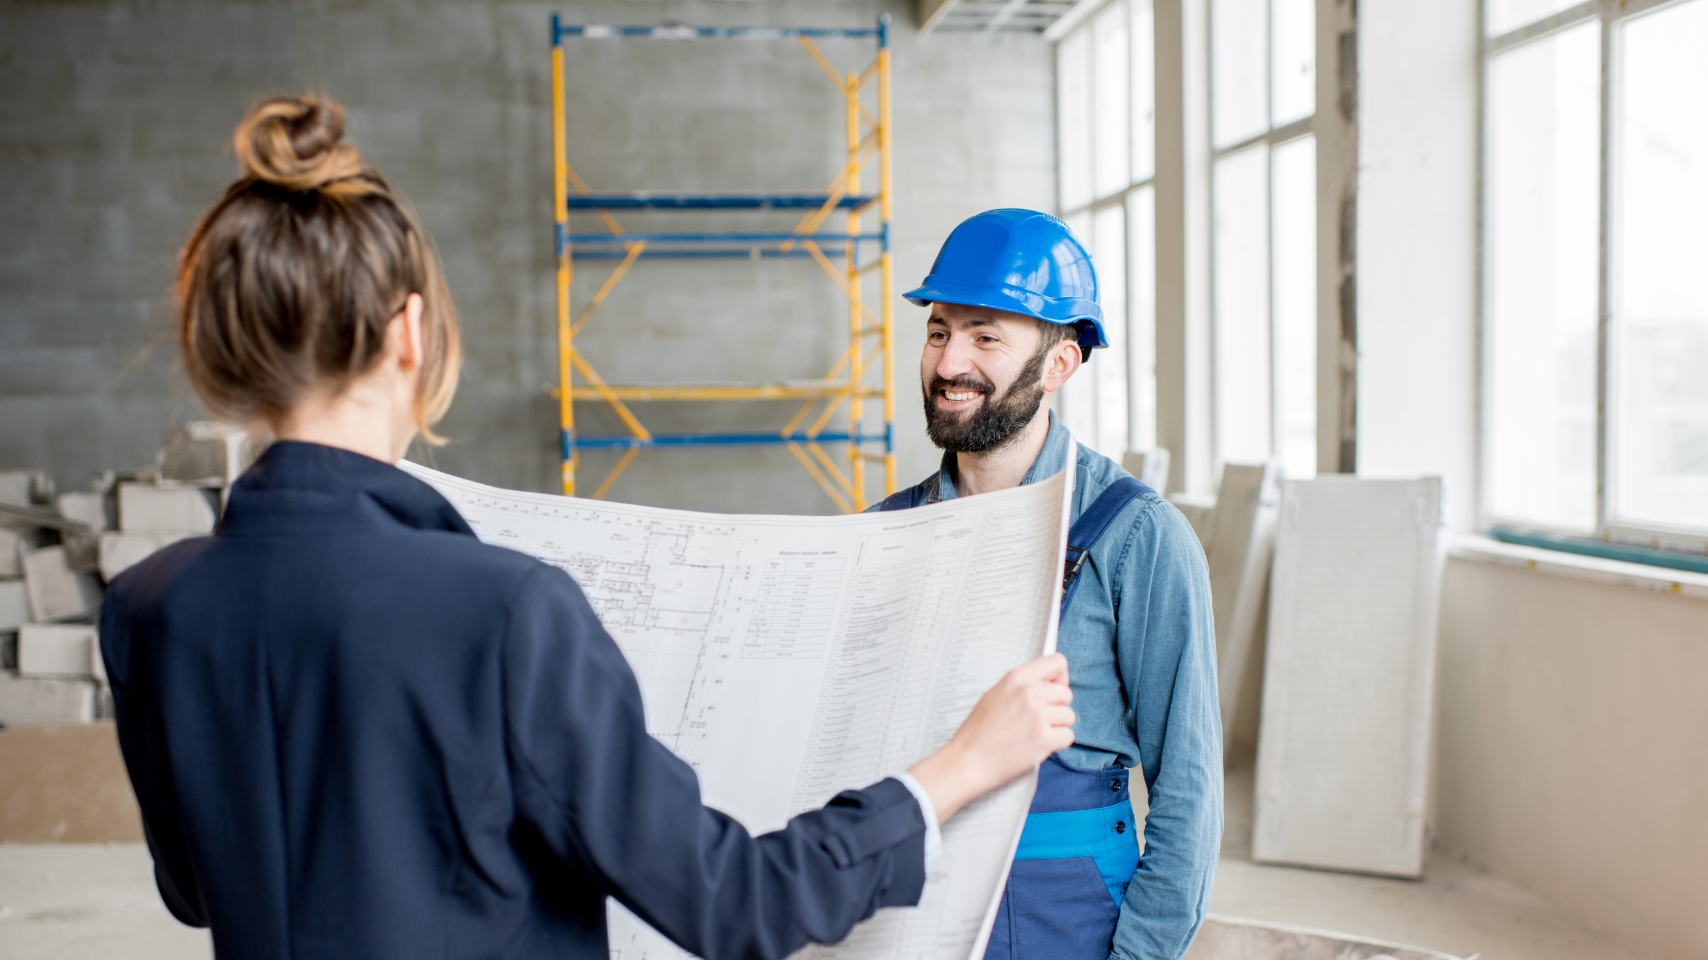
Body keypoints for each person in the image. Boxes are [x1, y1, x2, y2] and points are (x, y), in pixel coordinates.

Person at [99, 97, 1077, 960]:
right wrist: (956, 769)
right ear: (410, 333)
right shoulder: (502, 609)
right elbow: (736, 904)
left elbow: (194, 888)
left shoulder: (151, 604)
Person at [875, 209, 1222, 960]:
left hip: (1069, 910)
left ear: (1060, 364)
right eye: (938, 331)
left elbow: (1188, 791)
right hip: (915, 894)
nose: (948, 363)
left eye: (985, 335)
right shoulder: (884, 533)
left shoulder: (1139, 537)